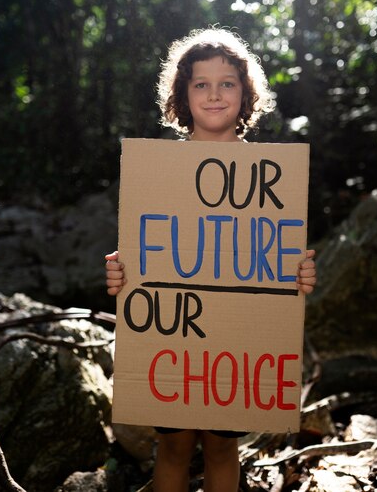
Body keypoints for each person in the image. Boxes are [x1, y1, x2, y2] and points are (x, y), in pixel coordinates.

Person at [105, 27, 317, 492]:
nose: (215, 94)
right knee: (175, 446)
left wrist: (297, 274)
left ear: (246, 93)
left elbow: (273, 258)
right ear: (183, 94)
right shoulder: (157, 170)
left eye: (227, 83)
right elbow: (147, 250)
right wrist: (124, 272)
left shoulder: (271, 177)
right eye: (201, 84)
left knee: (223, 448)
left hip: (236, 348)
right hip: (175, 346)